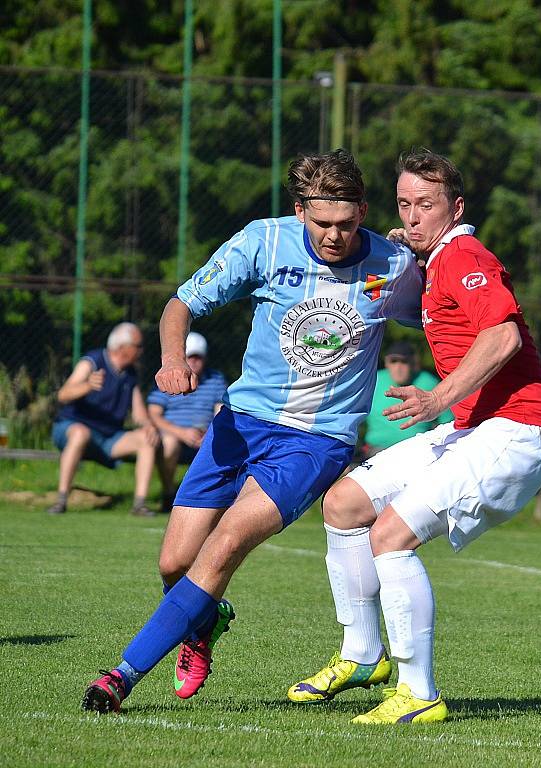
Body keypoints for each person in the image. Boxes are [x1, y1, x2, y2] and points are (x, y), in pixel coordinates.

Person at [80, 148, 423, 714]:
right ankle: (204, 622)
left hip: (317, 440)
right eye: (321, 224)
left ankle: (120, 676)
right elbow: (180, 305)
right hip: (240, 424)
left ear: (363, 210)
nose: (335, 236)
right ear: (299, 211)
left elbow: (442, 305)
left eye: (347, 223)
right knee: (174, 564)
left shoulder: (391, 265)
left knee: (223, 548)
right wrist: (169, 362)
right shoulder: (263, 242)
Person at [288, 149, 541, 724]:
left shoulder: (463, 253)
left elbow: (504, 335)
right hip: (473, 430)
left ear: (455, 208)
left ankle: (418, 692)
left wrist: (438, 398)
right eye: (405, 205)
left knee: (390, 535)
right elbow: (417, 301)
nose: (412, 217)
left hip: (517, 430)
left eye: (426, 205)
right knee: (343, 504)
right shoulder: (437, 258)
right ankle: (363, 656)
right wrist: (404, 254)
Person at [47, 322, 160, 517]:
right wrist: (87, 386)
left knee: (146, 439)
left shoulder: (130, 374)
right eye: (138, 346)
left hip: (108, 437)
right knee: (80, 433)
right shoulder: (92, 361)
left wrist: (148, 425)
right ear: (123, 347)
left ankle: (139, 504)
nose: (141, 351)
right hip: (72, 428)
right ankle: (61, 500)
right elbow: (63, 395)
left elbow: (139, 412)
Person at [147, 331, 227, 512]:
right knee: (169, 443)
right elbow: (154, 414)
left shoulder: (215, 379)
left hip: (204, 435)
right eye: (190, 357)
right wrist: (181, 433)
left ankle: (212, 502)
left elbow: (220, 411)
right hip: (173, 435)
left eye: (198, 357)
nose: (194, 362)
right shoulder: (167, 378)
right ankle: (169, 494)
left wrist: (209, 433)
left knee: (222, 442)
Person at [363, 340, 452, 457]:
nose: (398, 367)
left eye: (404, 361)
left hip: (419, 450)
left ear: (413, 363)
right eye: (393, 361)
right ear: (386, 363)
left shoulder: (429, 382)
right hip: (377, 450)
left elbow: (448, 422)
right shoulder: (373, 380)